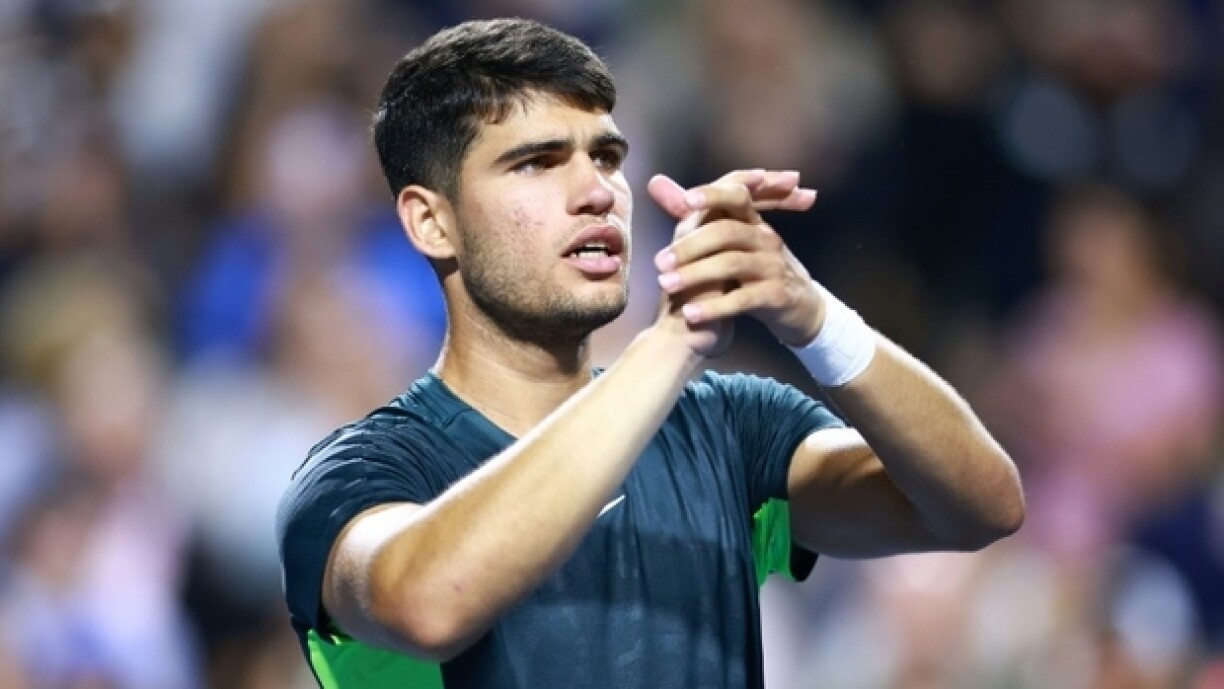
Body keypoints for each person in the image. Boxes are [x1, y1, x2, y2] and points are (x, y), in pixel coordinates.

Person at [276, 17, 1025, 689]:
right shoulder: (358, 475)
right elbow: (430, 602)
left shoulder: (732, 428)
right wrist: (672, 340)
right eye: (537, 162)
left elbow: (980, 505)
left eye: (605, 157)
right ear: (432, 222)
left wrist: (813, 315)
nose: (598, 191)